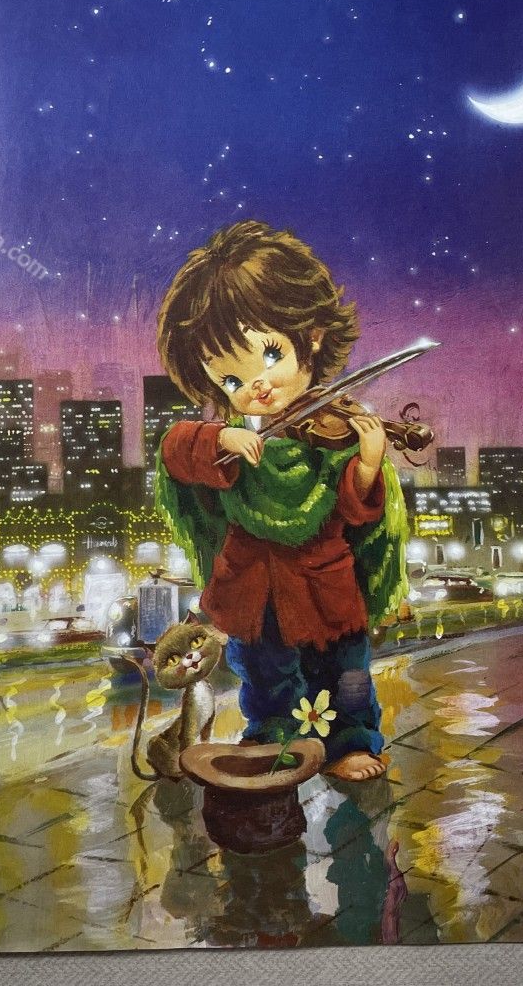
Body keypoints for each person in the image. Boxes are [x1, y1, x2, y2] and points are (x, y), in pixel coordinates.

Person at [153, 220, 408, 781]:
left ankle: (350, 744)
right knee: (266, 678)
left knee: (346, 674)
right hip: (252, 587)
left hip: (323, 583)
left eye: (269, 354)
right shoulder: (232, 436)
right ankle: (273, 741)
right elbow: (174, 450)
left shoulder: (333, 428)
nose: (256, 387)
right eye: (230, 380)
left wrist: (367, 466)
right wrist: (222, 438)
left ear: (310, 337)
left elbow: (354, 512)